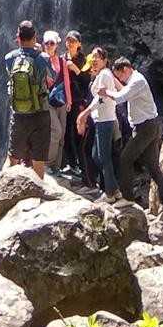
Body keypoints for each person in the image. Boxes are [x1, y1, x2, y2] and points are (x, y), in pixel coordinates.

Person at [111, 56, 163, 212]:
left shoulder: (137, 81)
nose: (121, 79)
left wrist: (106, 92)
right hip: (150, 126)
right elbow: (124, 91)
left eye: (120, 76)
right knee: (153, 167)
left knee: (126, 158)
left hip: (145, 128)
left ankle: (127, 198)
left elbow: (121, 97)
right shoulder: (134, 80)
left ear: (125, 69)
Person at [4, 19, 55, 177]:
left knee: (13, 157)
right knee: (38, 160)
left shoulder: (9, 58)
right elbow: (53, 77)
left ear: (17, 38)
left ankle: (4, 191)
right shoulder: (43, 58)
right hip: (41, 112)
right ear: (35, 38)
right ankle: (38, 196)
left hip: (19, 113)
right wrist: (40, 52)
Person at [75, 44, 121, 201]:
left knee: (104, 157)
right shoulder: (100, 74)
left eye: (97, 57)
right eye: (92, 56)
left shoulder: (106, 74)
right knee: (96, 155)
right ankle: (113, 188)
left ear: (105, 60)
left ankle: (110, 193)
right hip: (100, 120)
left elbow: (100, 99)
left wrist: (84, 114)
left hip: (105, 120)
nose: (94, 59)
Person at [62, 31, 95, 184]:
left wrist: (74, 68)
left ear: (79, 44)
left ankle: (87, 177)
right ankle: (70, 165)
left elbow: (86, 81)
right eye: (68, 40)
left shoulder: (84, 60)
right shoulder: (62, 58)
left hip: (79, 103)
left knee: (79, 137)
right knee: (65, 134)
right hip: (64, 102)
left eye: (73, 41)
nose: (69, 43)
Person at [42, 30, 73, 170]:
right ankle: (48, 164)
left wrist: (69, 101)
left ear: (56, 45)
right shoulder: (40, 60)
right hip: (47, 102)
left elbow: (66, 80)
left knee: (62, 135)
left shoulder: (62, 60)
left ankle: (57, 166)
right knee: (56, 131)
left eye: (52, 43)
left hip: (61, 101)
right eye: (46, 43)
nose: (49, 45)